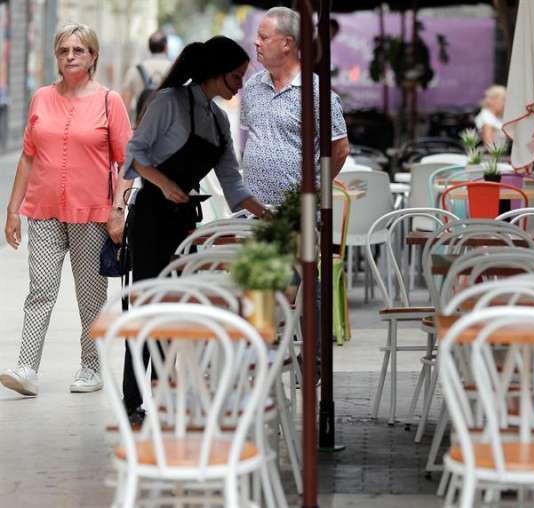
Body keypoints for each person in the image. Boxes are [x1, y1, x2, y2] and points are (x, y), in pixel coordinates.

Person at [122, 36, 269, 421]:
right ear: (215, 73)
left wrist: (267, 214)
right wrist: (164, 184)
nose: (240, 84)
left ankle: (162, 392)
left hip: (185, 220)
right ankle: (133, 399)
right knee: (147, 306)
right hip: (152, 217)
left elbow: (233, 184)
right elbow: (133, 154)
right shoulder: (168, 102)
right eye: (236, 76)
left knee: (175, 308)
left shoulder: (219, 121)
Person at [0, 24, 132, 396]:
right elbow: (28, 157)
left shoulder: (110, 101)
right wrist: (13, 211)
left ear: (93, 56)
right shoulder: (41, 97)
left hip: (92, 213)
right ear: (55, 56)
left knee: (89, 293)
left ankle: (90, 366)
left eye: (78, 50)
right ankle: (27, 367)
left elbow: (128, 162)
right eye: (63, 51)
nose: (70, 56)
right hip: (43, 210)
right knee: (40, 289)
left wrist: (118, 207)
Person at [241, 6, 349, 207]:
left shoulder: (317, 93)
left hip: (297, 213)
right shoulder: (252, 86)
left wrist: (316, 187)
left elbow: (340, 149)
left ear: (286, 44)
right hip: (251, 211)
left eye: (263, 38)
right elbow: (251, 138)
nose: (256, 42)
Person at [120, 31, 172, 122]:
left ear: (149, 48)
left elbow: (125, 106)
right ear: (166, 48)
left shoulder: (135, 70)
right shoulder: (174, 69)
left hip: (142, 127)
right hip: (168, 128)